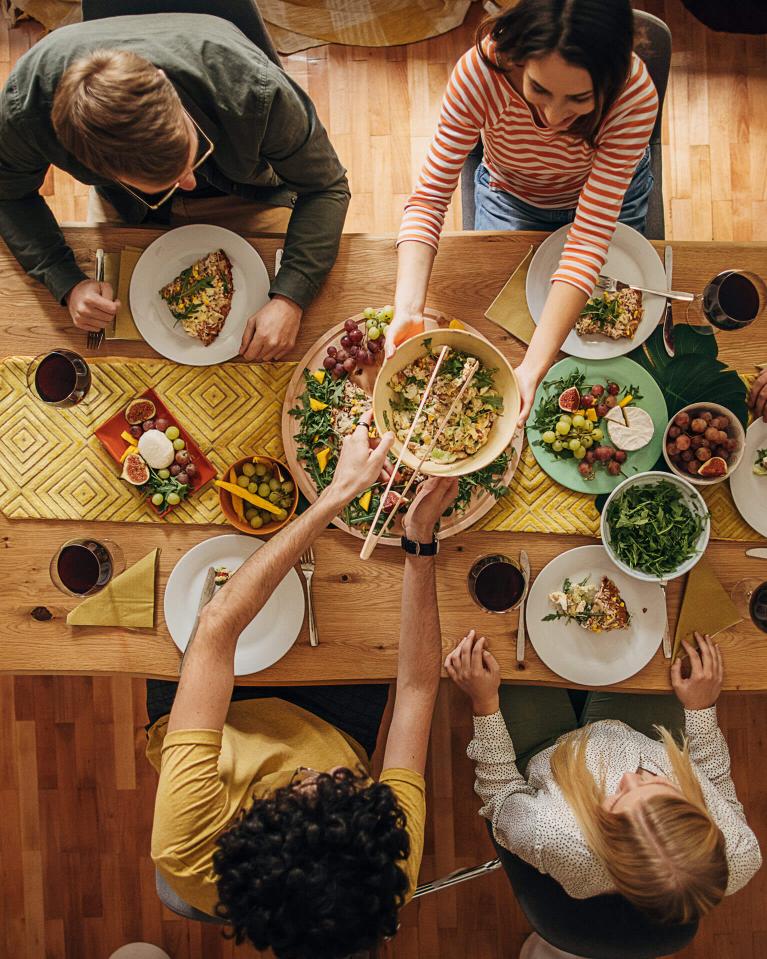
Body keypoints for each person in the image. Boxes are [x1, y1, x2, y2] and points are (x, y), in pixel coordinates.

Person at [146, 410, 459, 959]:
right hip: (334, 721)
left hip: (208, 729)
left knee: (179, 557)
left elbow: (216, 627)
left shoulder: (187, 845)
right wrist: (419, 539)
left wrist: (333, 497)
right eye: (342, 783)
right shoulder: (384, 857)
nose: (310, 770)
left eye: (298, 789)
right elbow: (415, 689)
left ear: (251, 830)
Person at [0, 13, 350, 361]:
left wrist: (291, 296)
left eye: (188, 157)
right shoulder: (23, 109)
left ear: (162, 81)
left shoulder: (254, 89)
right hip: (128, 204)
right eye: (169, 179)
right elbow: (8, 194)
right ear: (91, 164)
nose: (189, 183)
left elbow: (327, 186)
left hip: (245, 190)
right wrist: (67, 282)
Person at [387, 0, 658, 422]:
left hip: (608, 200)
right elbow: (428, 198)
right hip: (510, 194)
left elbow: (587, 239)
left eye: (579, 98)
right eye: (540, 89)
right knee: (499, 321)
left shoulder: (634, 97)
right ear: (517, 56)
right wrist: (407, 311)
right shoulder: (480, 73)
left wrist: (533, 369)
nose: (552, 118)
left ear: (608, 79)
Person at [445, 629, 762, 925]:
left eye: (620, 797)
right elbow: (715, 780)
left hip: (545, 749)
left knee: (495, 639)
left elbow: (500, 792)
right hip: (640, 732)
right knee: (667, 632)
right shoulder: (738, 852)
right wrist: (701, 708)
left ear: (604, 842)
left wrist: (484, 702)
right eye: (660, 785)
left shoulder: (554, 836)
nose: (628, 778)